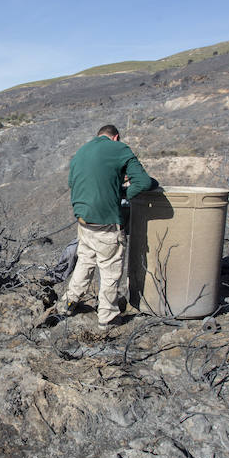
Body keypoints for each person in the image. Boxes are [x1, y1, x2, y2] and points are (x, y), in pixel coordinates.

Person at [63, 125, 158, 330]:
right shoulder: (120, 149)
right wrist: (121, 195)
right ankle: (107, 317)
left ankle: (69, 301)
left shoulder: (82, 150)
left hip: (84, 221)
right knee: (110, 270)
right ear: (115, 137)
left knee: (86, 260)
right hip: (106, 223)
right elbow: (143, 182)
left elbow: (73, 181)